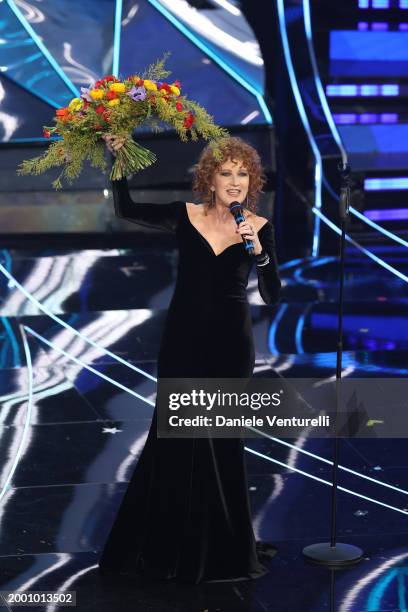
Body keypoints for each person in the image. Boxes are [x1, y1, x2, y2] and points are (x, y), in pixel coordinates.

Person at [98, 135, 281, 584]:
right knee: (176, 437)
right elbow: (127, 209)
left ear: (251, 180)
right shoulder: (187, 216)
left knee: (221, 442)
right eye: (226, 173)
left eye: (243, 174)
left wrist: (260, 254)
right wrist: (118, 159)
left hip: (229, 345)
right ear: (210, 179)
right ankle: (165, 542)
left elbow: (273, 293)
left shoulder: (258, 225)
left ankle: (224, 546)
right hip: (183, 340)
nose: (235, 181)